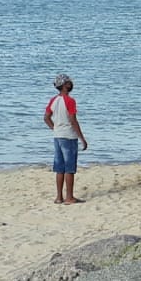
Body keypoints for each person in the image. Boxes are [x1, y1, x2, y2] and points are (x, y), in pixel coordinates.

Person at [44, 74, 88, 205]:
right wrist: (82, 138)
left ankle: (59, 197)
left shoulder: (53, 100)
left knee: (59, 168)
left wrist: (55, 128)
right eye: (69, 82)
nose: (71, 84)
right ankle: (69, 197)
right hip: (68, 136)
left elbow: (46, 117)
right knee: (69, 168)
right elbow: (73, 120)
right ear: (65, 85)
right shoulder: (70, 101)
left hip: (57, 136)